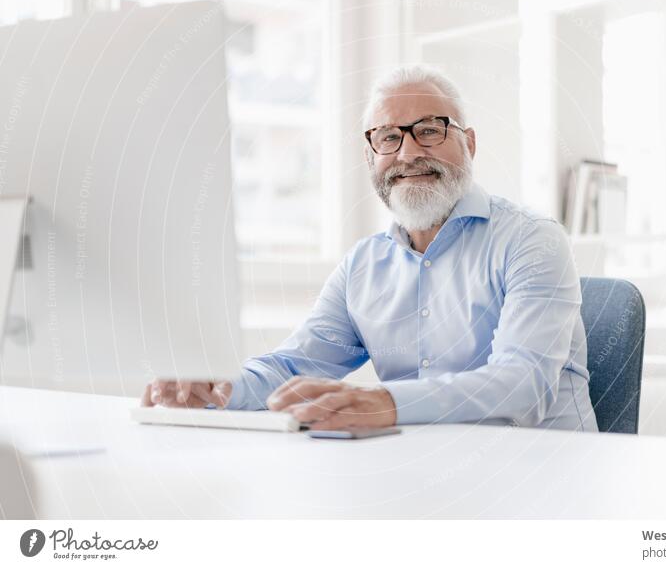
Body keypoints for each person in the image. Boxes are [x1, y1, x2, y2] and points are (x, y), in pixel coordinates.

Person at [142, 65, 598, 433]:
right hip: (425, 474)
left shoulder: (532, 240)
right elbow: (294, 365)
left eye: (429, 130)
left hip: (543, 476)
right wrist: (218, 384)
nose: (406, 153)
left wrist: (383, 403)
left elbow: (522, 386)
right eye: (387, 137)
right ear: (370, 157)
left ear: (470, 143)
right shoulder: (362, 266)